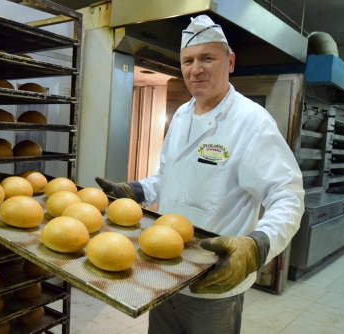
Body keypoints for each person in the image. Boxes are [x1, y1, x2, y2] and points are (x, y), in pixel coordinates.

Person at [95, 14, 305, 334]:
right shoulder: (181, 115)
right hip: (165, 269)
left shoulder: (252, 123)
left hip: (213, 281)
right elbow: (168, 177)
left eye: (208, 58)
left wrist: (258, 245)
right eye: (188, 60)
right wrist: (136, 191)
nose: (196, 68)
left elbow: (287, 195)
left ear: (230, 61)